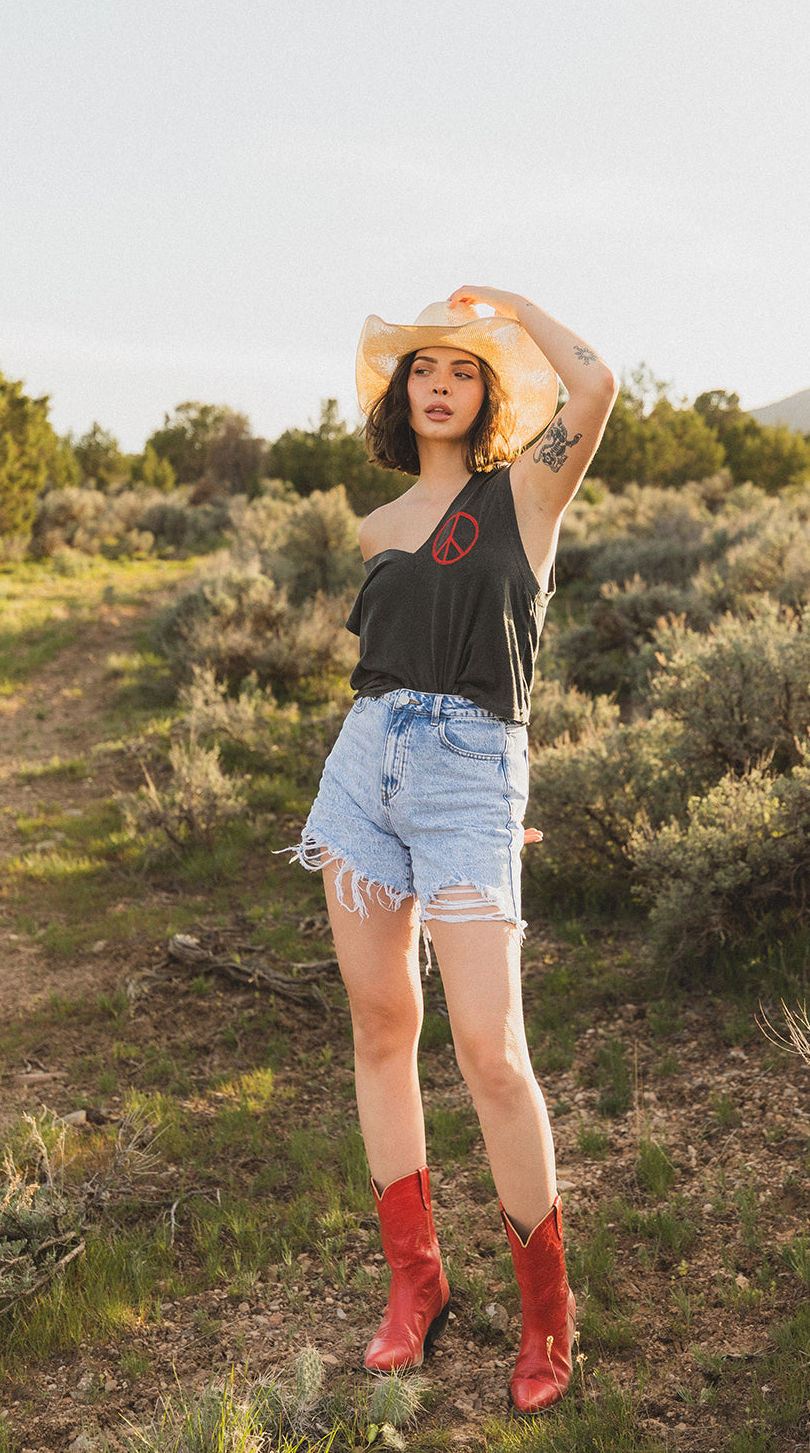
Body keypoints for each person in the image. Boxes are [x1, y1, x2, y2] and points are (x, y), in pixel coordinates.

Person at [289, 287, 616, 1413]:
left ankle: (545, 1315)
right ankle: (415, 1287)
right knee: (383, 1028)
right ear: (400, 392)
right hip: (362, 777)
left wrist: (513, 302)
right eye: (421, 368)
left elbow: (597, 388)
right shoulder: (375, 528)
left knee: (492, 1051)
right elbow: (382, 673)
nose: (437, 383)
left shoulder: (526, 491)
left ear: (488, 394)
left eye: (462, 369)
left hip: (473, 776)